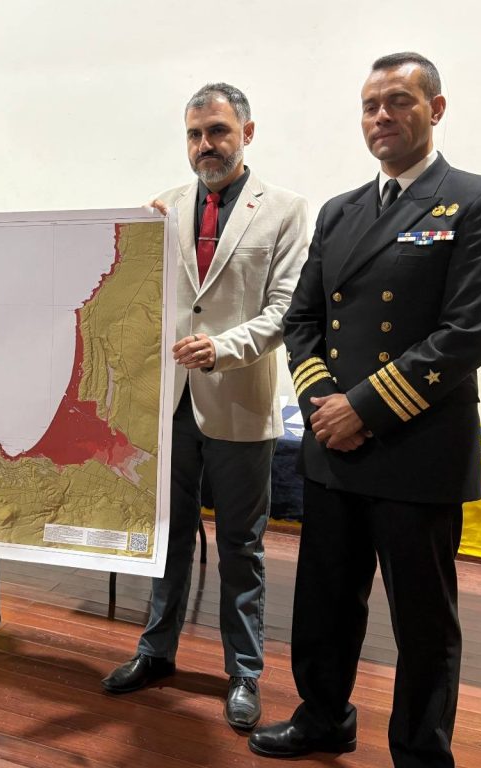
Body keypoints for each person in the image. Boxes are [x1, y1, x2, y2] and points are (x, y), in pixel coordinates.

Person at [249, 53, 481, 766]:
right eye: (370, 105)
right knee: (324, 602)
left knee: (423, 622)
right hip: (336, 447)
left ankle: (421, 752)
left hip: (416, 446)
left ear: (436, 109)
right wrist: (323, 407)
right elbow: (303, 319)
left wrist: (363, 409)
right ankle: (323, 717)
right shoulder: (340, 211)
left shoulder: (480, 200)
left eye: (399, 100)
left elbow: (470, 331)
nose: (381, 116)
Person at [100, 84, 309, 731]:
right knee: (167, 536)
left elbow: (286, 310)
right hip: (169, 403)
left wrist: (223, 348)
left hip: (240, 401)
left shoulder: (285, 210)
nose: (205, 145)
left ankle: (244, 672)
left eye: (217, 131)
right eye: (194, 134)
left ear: (247, 131)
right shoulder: (163, 207)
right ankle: (155, 651)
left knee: (242, 544)